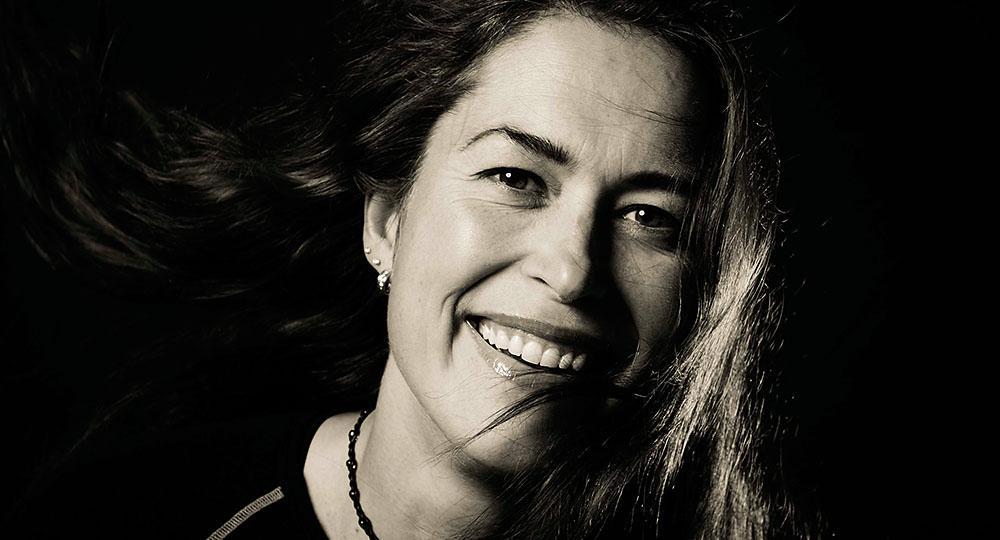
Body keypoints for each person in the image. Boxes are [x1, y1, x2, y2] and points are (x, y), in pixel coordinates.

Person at [2, 0, 803, 538]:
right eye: (515, 178)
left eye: (650, 218)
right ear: (387, 221)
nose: (570, 271)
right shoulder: (126, 516)